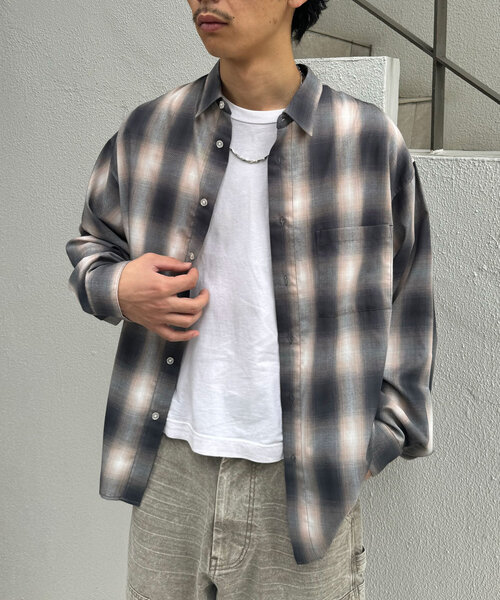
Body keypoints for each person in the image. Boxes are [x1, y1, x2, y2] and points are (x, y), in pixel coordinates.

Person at [65, 1, 438, 598]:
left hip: (306, 478)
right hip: (171, 465)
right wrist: (118, 288)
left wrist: (378, 439)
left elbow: (409, 298)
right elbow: (93, 245)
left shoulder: (368, 142)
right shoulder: (150, 129)